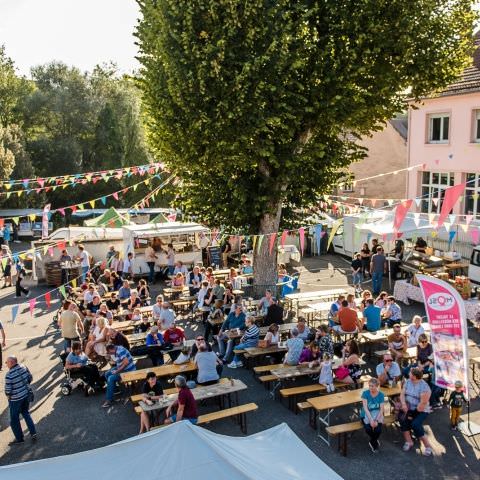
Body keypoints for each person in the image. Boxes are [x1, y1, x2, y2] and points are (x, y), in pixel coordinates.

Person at [399, 368, 433, 455]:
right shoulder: (408, 382)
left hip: (420, 410)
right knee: (402, 419)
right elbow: (402, 394)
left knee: (415, 424)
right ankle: (409, 441)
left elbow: (422, 404)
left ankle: (428, 446)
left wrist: (410, 415)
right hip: (408, 406)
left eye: (410, 374)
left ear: (414, 376)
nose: (408, 375)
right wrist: (403, 404)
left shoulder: (424, 387)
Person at [4, 355, 37, 445]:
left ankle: (19, 438)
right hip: (25, 395)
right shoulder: (23, 367)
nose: (6, 364)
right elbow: (30, 378)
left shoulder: (9, 375)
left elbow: (8, 391)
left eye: (7, 362)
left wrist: (9, 397)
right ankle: (33, 432)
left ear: (11, 363)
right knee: (26, 413)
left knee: (14, 419)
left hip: (15, 400)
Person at [103, 344, 136, 408]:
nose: (110, 354)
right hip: (121, 367)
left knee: (111, 378)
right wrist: (117, 369)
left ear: (111, 349)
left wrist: (117, 371)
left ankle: (109, 400)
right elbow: (121, 362)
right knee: (107, 373)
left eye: (109, 352)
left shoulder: (119, 351)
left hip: (129, 370)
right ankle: (115, 390)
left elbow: (126, 362)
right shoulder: (117, 348)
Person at [361, 378, 385, 453]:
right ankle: (374, 443)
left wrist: (376, 420)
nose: (371, 388)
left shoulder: (381, 395)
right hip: (366, 414)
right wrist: (371, 420)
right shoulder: (365, 393)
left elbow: (381, 409)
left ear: (377, 386)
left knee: (378, 430)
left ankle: (372, 441)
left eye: (373, 386)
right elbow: (365, 408)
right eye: (370, 386)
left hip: (377, 414)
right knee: (368, 429)